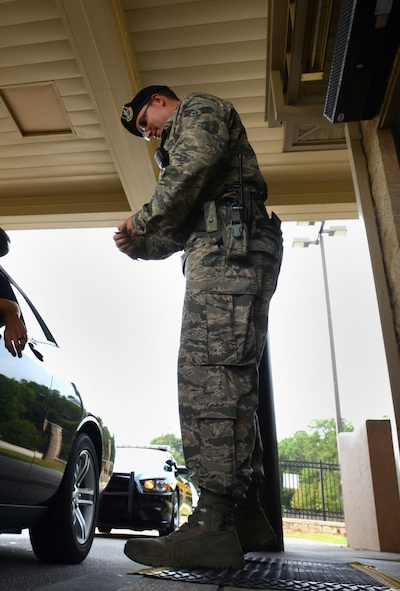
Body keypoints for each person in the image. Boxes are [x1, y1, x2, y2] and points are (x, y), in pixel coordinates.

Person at [114, 85, 283, 570]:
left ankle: (212, 524)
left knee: (210, 377)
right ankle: (245, 515)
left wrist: (142, 217)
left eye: (146, 120)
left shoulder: (199, 110)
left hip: (230, 254)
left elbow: (192, 168)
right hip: (221, 250)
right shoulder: (181, 139)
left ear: (163, 100)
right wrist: (139, 243)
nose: (148, 132)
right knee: (229, 378)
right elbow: (179, 224)